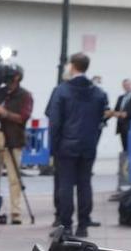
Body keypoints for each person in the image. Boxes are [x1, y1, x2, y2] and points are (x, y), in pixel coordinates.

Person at [44, 53, 108, 238]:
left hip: (66, 145)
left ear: (72, 66)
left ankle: (65, 225)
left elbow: (55, 121)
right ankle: (83, 224)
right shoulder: (98, 93)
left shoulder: (62, 90)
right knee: (84, 184)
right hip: (88, 145)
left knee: (65, 185)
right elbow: (100, 119)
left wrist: (53, 146)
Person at [0, 66, 32, 225]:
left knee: (14, 178)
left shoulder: (25, 96)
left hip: (13, 139)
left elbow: (23, 117)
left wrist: (4, 112)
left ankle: (16, 212)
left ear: (17, 77)